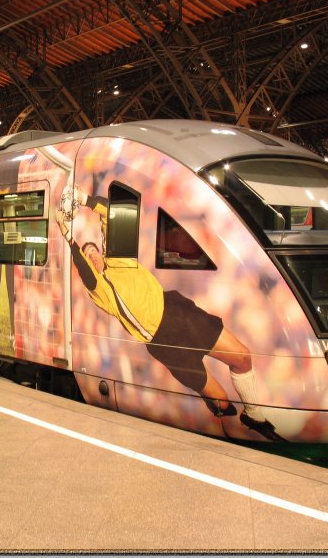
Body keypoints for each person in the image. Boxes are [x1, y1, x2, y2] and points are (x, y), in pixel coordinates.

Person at [56, 184, 285, 442]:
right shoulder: (101, 293)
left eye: (94, 251)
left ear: (101, 250)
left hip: (178, 312)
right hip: (163, 342)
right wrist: (69, 238)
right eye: (88, 256)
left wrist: (83, 199)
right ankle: (221, 418)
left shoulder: (120, 260)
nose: (92, 257)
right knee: (222, 402)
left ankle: (254, 414)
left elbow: (112, 210)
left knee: (242, 357)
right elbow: (86, 275)